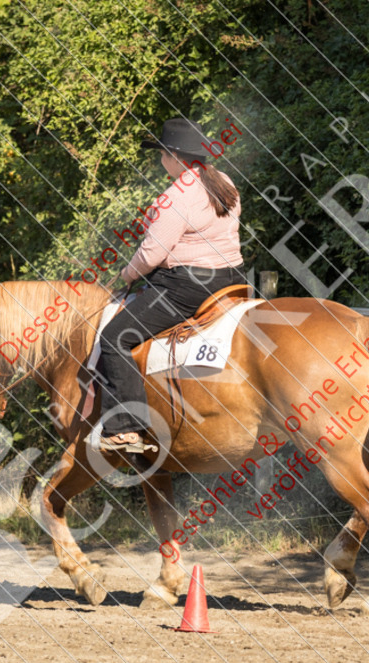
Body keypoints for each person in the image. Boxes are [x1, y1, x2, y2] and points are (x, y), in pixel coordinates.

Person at [96, 117, 246, 451]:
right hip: (232, 280)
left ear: (175, 157)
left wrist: (126, 275)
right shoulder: (224, 181)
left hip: (187, 288)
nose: (161, 161)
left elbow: (152, 254)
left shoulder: (175, 198)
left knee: (113, 338)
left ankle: (126, 428)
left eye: (162, 154)